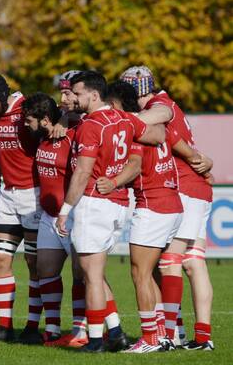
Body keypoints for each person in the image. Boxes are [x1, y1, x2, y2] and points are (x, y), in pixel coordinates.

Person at [56, 70, 166, 352]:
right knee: (95, 271)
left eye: (78, 93)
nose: (73, 98)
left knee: (90, 275)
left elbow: (82, 172)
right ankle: (115, 331)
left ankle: (95, 340)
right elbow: (157, 135)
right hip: (118, 203)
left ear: (94, 95)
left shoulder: (91, 125)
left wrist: (65, 210)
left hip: (94, 202)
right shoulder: (125, 118)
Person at [121, 66, 215, 350]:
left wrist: (116, 119)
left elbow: (156, 119)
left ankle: (172, 334)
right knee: (194, 262)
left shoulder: (160, 104)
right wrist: (201, 158)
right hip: (198, 188)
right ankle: (201, 336)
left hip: (184, 187)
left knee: (169, 262)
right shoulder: (166, 101)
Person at [103, 81, 181, 353]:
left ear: (113, 105)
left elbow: (135, 165)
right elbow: (172, 140)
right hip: (172, 201)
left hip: (154, 205)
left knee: (140, 274)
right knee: (149, 274)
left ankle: (149, 339)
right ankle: (160, 335)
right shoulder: (151, 125)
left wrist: (112, 181)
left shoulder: (132, 129)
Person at [0, 72, 45, 343]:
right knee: (0, 259)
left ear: (3, 96)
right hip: (7, 195)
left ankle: (32, 326)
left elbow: (53, 116)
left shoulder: (26, 109)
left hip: (33, 195)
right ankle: (5, 327)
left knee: (34, 263)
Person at [21, 91, 88, 348]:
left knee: (81, 276)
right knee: (45, 271)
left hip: (72, 217)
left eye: (29, 121)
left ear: (46, 119)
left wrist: (66, 118)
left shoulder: (71, 136)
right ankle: (51, 329)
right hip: (49, 218)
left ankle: (82, 329)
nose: (26, 126)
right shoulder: (43, 140)